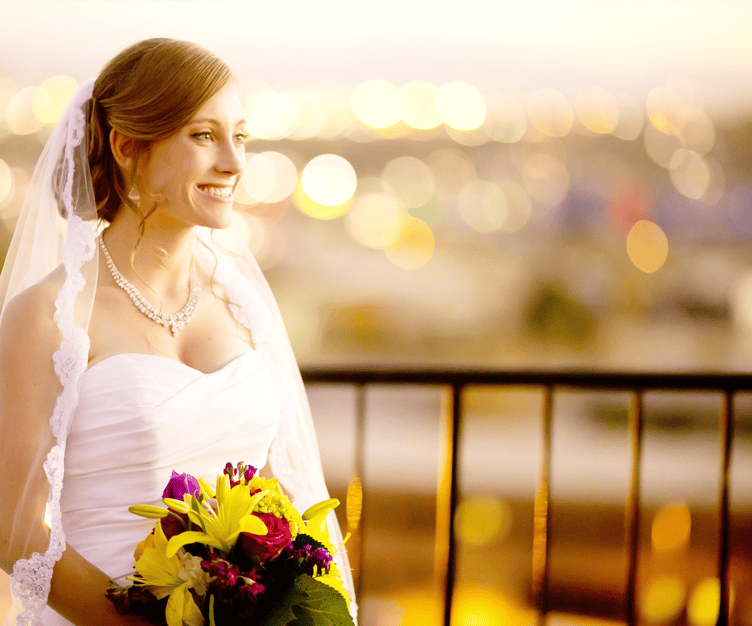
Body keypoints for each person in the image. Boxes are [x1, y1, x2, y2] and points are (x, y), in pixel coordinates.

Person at [0, 38, 356, 625]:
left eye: (239, 136)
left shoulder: (241, 304)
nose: (235, 163)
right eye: (203, 136)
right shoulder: (46, 317)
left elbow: (274, 495)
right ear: (125, 146)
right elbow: (14, 529)